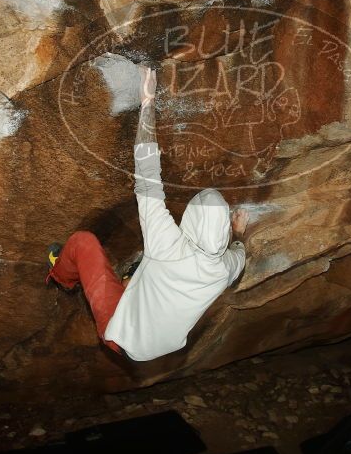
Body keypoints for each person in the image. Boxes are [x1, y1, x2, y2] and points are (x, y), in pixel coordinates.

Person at [46, 65, 249, 361]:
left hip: (121, 334)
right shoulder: (223, 269)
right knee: (146, 261)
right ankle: (132, 279)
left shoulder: (168, 244)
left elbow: (147, 174)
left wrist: (147, 102)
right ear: (223, 231)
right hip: (158, 346)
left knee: (82, 243)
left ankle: (61, 277)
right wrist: (239, 234)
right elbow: (239, 257)